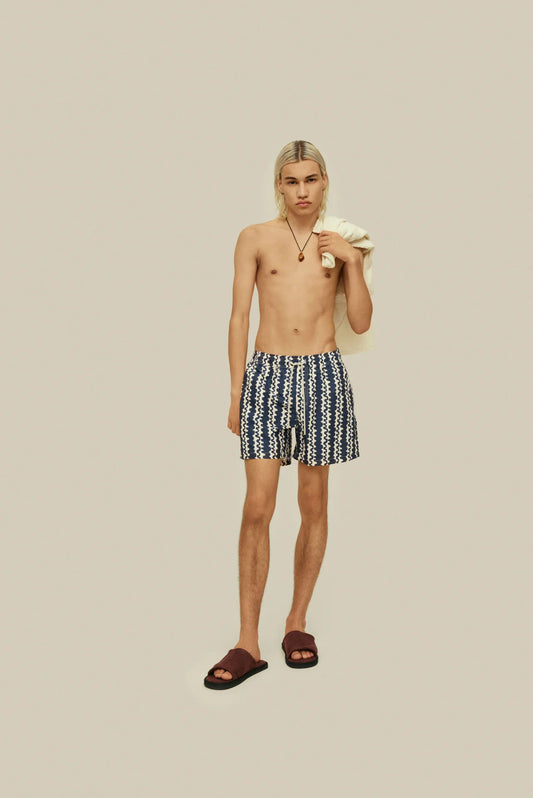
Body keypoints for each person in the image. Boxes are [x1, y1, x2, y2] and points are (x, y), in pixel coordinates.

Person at [204, 140, 373, 689]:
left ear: (324, 182)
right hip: (267, 374)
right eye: (292, 180)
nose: (302, 191)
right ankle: (247, 642)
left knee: (313, 502)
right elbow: (238, 316)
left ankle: (296, 622)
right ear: (279, 184)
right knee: (257, 506)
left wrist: (353, 262)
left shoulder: (342, 241)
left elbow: (362, 322)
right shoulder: (254, 237)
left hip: (322, 373)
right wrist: (236, 391)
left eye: (311, 180)